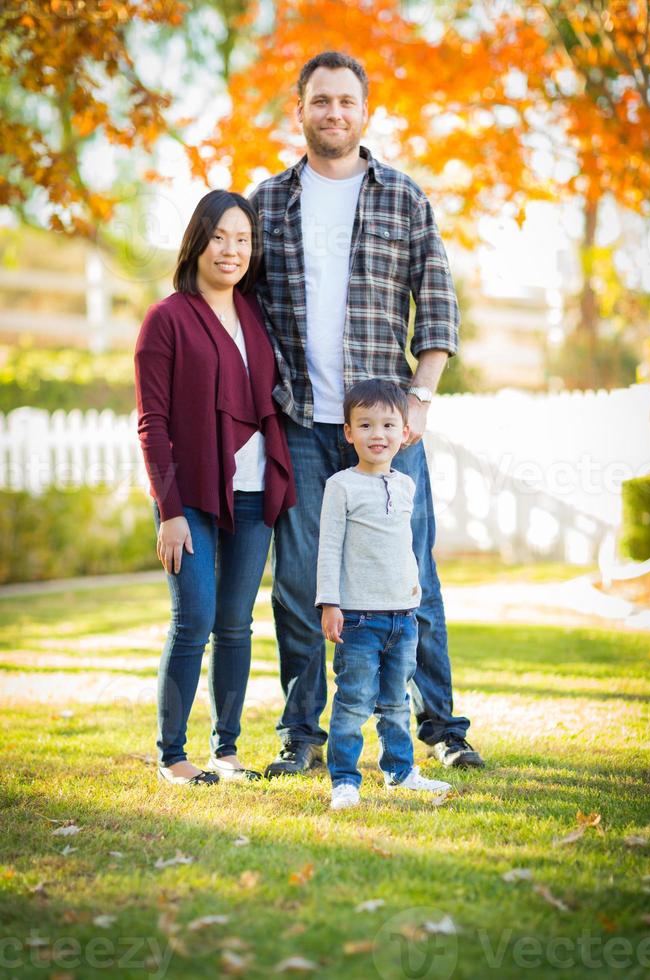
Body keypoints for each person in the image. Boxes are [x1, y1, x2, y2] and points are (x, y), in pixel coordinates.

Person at [251, 51, 484, 778]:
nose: (334, 113)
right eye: (320, 101)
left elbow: (438, 303)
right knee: (297, 580)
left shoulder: (404, 197)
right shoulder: (263, 205)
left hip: (387, 430)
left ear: (365, 111)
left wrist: (419, 399)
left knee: (414, 575)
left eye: (346, 101)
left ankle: (441, 726)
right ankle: (303, 734)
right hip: (298, 420)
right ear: (300, 111)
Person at [134, 190, 295, 787]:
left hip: (253, 493)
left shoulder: (255, 315)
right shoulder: (167, 318)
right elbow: (153, 422)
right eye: (220, 237)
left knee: (234, 622)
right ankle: (172, 756)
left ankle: (226, 751)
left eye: (243, 240)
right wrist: (168, 511)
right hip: (191, 498)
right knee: (193, 618)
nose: (231, 250)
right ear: (198, 241)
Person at [317, 380, 453, 810]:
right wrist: (329, 603)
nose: (378, 434)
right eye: (366, 424)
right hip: (358, 619)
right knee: (354, 700)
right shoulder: (341, 486)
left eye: (389, 425)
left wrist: (412, 591)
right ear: (349, 433)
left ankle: (400, 771)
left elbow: (406, 547)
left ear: (405, 431)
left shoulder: (407, 485)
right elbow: (329, 548)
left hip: (403, 618)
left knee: (395, 700)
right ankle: (344, 780)